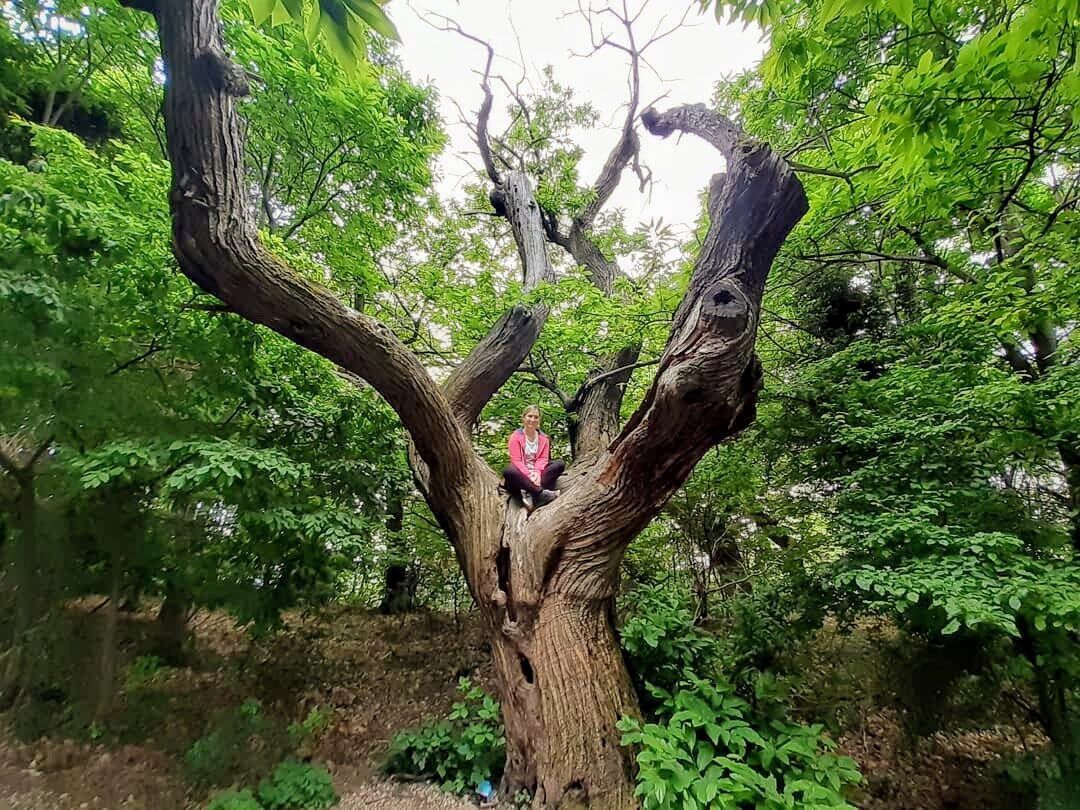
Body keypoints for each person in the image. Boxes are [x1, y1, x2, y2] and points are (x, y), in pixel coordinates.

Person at [503, 405, 565, 510]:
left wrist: (537, 473)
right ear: (523, 418)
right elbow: (516, 461)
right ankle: (540, 493)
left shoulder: (544, 438)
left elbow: (543, 459)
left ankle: (532, 492)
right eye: (529, 416)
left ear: (539, 420)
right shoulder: (515, 437)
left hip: (538, 475)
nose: (532, 419)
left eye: (536, 417)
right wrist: (528, 475)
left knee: (559, 464)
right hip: (521, 476)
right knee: (508, 471)